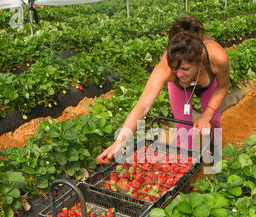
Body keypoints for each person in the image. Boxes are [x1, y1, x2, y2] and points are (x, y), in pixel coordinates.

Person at [96, 16, 229, 164]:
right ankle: (185, 167)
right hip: (181, 90)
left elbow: (223, 87)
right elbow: (142, 106)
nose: (179, 74)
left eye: (185, 68)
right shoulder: (164, 68)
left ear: (201, 58)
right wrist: (118, 142)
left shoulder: (217, 57)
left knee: (214, 121)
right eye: (175, 68)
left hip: (209, 86)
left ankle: (215, 157)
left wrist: (206, 117)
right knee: (182, 127)